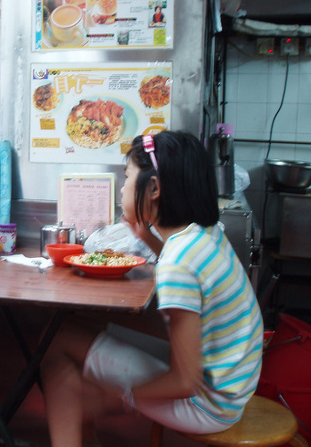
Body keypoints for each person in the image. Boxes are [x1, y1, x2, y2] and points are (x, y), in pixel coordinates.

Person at [41, 131, 263, 446]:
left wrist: (121, 399)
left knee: (56, 345)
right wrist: (146, 237)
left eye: (127, 177)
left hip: (206, 403)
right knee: (68, 330)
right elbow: (186, 272)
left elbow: (186, 381)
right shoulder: (201, 235)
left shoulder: (178, 263)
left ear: (154, 188)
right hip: (228, 384)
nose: (122, 188)